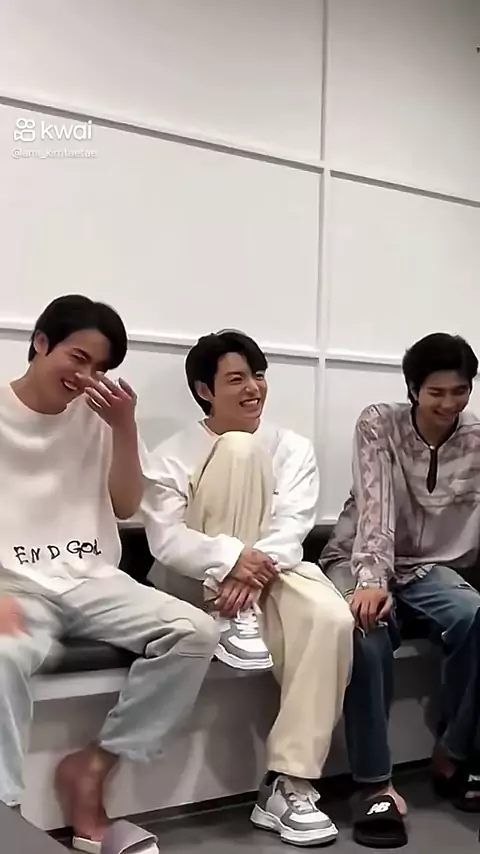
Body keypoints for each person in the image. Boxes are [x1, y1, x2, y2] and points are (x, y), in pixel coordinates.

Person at [0, 295, 219, 854]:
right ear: (40, 343)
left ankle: (92, 769)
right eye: (78, 358)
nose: (86, 377)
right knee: (1, 654)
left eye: (99, 368)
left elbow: (124, 506)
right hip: (14, 585)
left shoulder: (100, 417)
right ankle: (6, 815)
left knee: (196, 632)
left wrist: (124, 427)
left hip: (94, 580)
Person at [141, 329, 354, 847]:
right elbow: (166, 540)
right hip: (191, 581)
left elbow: (292, 527)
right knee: (238, 448)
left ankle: (288, 783)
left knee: (332, 617)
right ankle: (232, 614)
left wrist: (248, 574)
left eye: (258, 376)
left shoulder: (293, 447)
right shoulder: (171, 454)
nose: (253, 388)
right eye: (237, 379)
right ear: (205, 390)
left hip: (267, 577)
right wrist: (229, 562)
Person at [320, 332, 480, 848]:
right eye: (437, 392)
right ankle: (373, 785)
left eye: (460, 391)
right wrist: (370, 578)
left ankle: (455, 752)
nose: (450, 403)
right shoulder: (378, 423)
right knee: (364, 629)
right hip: (358, 556)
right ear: (413, 389)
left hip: (432, 567)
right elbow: (376, 505)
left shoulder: (477, 438)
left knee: (474, 615)